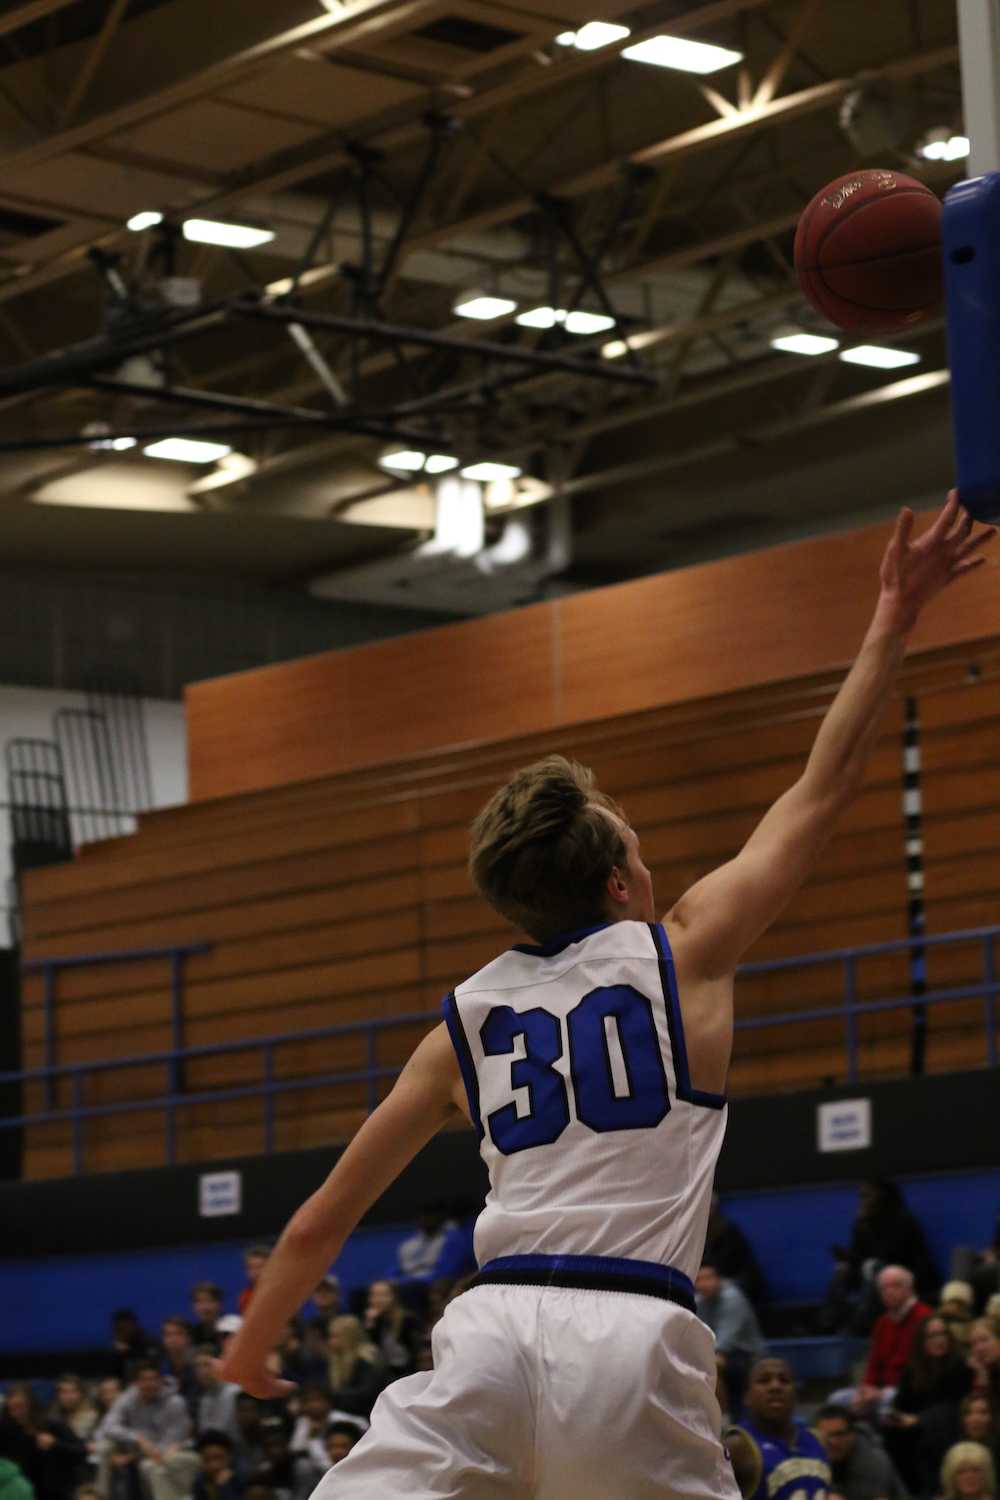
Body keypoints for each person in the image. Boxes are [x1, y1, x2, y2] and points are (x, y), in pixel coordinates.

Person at [219, 494, 995, 1498]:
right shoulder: (684, 953)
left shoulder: (463, 1025)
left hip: (489, 1336)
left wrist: (250, 1350)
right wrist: (894, 611)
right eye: (634, 840)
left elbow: (323, 1219)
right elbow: (825, 784)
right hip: (632, 1339)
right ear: (620, 885)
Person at [832, 1266, 933, 1419]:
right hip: (880, 1391)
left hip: (911, 1390)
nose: (889, 1291)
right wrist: (866, 1389)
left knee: (889, 1400)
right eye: (884, 1288)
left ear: (910, 1289)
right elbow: (874, 1364)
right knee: (837, 1400)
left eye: (895, 1286)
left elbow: (920, 1370)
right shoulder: (882, 1323)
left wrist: (879, 1393)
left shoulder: (925, 1318)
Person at [887, 1314, 973, 1492]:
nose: (939, 1340)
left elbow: (956, 1408)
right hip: (916, 1430)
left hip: (949, 1429)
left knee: (928, 1439)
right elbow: (900, 1405)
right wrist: (894, 1417)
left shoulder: (960, 1367)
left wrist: (920, 1420)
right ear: (921, 1341)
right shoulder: (912, 1370)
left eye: (942, 1334)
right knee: (891, 1434)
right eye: (932, 1336)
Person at [96, 1363, 198, 1500]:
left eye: (153, 1379)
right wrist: (137, 1438)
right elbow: (108, 1426)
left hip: (166, 1452)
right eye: (144, 1380)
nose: (149, 1384)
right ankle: (100, 1497)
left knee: (149, 1466)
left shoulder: (175, 1403)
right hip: (137, 1447)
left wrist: (133, 1456)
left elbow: (171, 1443)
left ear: (161, 1381)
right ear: (136, 1383)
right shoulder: (128, 1397)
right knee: (104, 1448)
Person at [736, 1358, 831, 1500]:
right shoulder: (738, 1445)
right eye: (764, 1380)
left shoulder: (818, 1439)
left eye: (784, 1380)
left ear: (796, 1395)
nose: (775, 1386)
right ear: (747, 1397)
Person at [695, 1261, 766, 1419]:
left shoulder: (732, 1298)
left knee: (711, 1366)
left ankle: (725, 1419)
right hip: (722, 1353)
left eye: (709, 1278)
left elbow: (725, 1341)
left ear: (719, 1279)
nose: (704, 1283)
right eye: (699, 1279)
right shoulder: (699, 1301)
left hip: (747, 1354)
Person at [814, 1404, 907, 1500]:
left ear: (853, 1434)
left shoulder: (873, 1461)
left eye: (839, 1434)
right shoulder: (812, 1455)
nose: (832, 1441)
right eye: (825, 1435)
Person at [705, 1194, 766, 1307]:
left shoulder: (728, 1232)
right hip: (706, 1286)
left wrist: (712, 1279)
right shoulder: (694, 1234)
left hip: (737, 1285)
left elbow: (730, 1267)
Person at [324, 1318, 385, 1420]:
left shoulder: (367, 1359)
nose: (330, 1341)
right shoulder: (337, 1360)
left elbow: (366, 1394)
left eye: (334, 1337)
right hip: (347, 1413)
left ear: (348, 1337)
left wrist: (332, 1395)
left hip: (369, 1415)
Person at [361, 1282, 420, 1379]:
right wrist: (370, 1324)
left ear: (394, 1297)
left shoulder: (408, 1320)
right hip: (386, 1374)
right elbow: (371, 1352)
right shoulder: (375, 1321)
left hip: (408, 1374)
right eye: (374, 1295)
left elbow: (415, 1353)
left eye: (383, 1295)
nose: (378, 1300)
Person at [193, 1433, 242, 1500]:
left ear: (230, 1457)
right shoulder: (196, 1483)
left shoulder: (241, 1481)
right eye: (206, 1460)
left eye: (219, 1458)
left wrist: (223, 1488)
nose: (214, 1465)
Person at [238, 1252, 270, 1318]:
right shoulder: (244, 1297)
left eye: (260, 1267)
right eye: (251, 1268)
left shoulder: (281, 1292)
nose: (256, 1272)